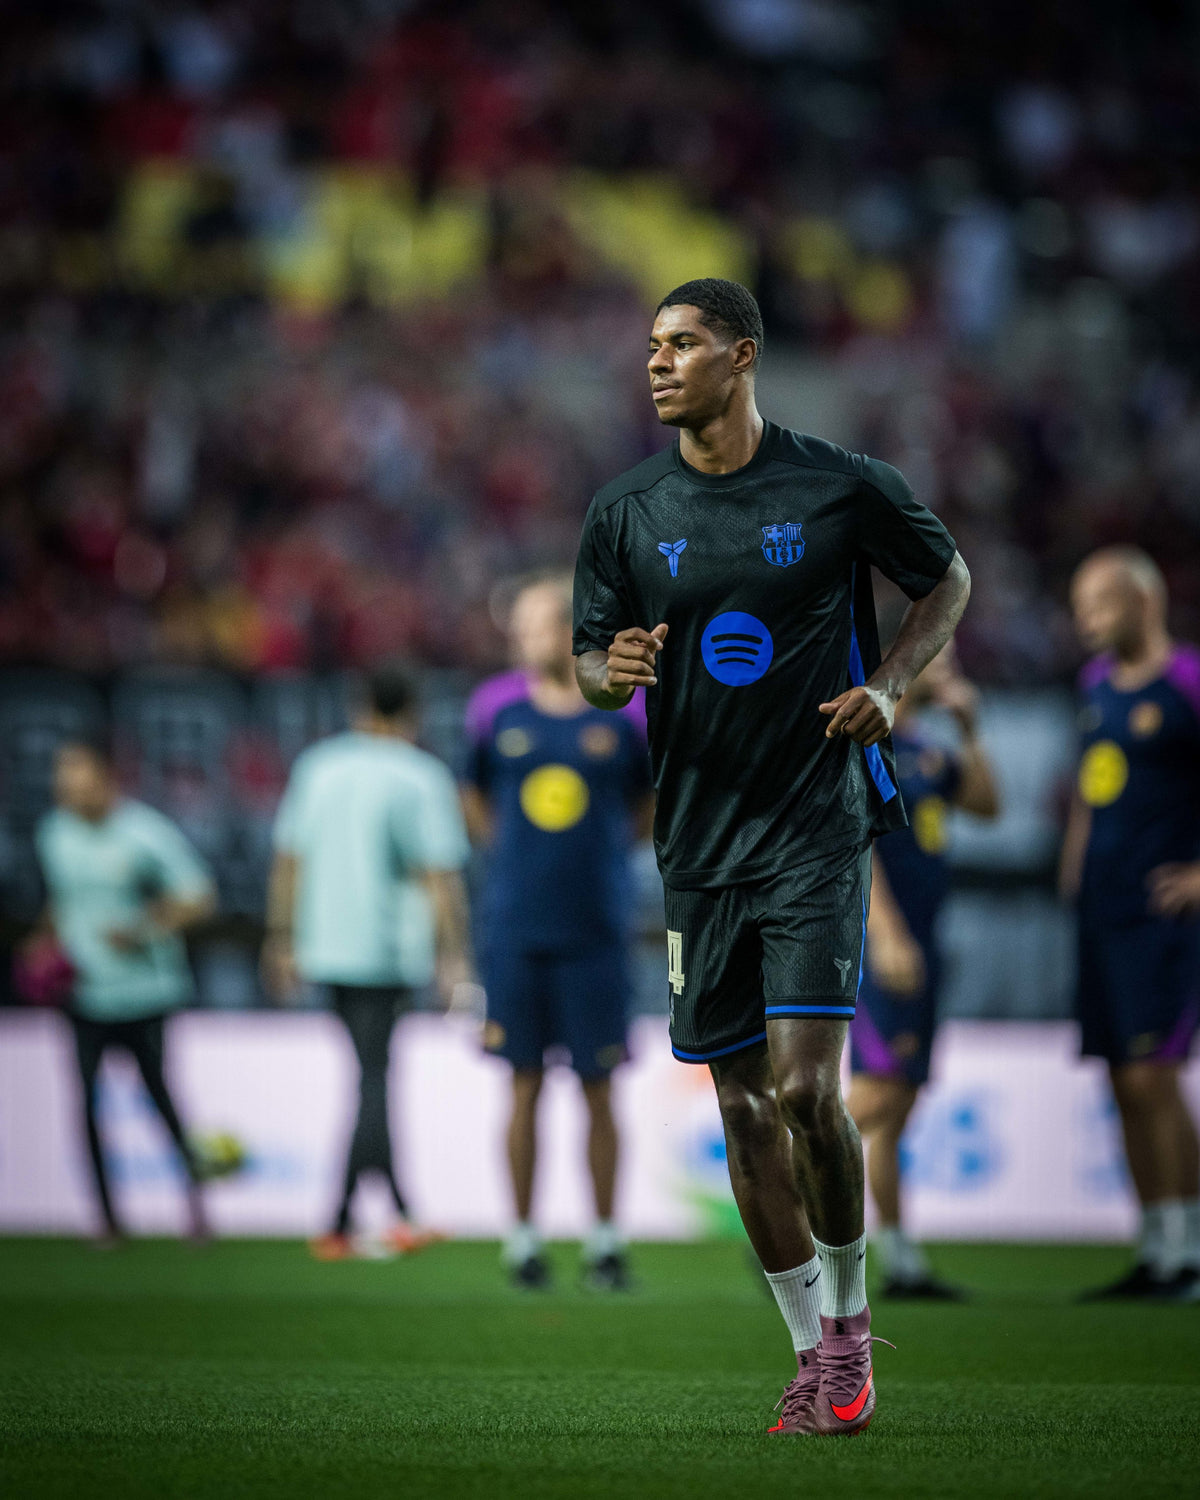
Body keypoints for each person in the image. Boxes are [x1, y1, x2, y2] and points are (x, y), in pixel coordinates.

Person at [572, 277, 970, 1436]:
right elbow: (590, 656)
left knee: (805, 1090)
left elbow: (945, 577)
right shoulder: (625, 511)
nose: (657, 363)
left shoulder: (838, 484)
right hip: (697, 844)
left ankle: (850, 1328)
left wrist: (893, 686)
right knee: (742, 1108)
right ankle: (809, 1350)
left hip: (815, 824)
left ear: (740, 356)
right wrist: (618, 672)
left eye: (682, 344)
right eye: (651, 345)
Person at [462, 574, 654, 1290]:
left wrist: (596, 863)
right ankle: (522, 1240)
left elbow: (646, 809)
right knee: (521, 1083)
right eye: (529, 622)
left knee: (600, 1087)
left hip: (598, 929)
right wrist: (521, 866)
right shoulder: (493, 709)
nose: (539, 633)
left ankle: (605, 1240)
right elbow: (475, 802)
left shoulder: (622, 711)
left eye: (551, 620)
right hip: (514, 929)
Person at [264, 665, 472, 1260]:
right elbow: (440, 876)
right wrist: (453, 955)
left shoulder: (316, 767)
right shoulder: (420, 776)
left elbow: (289, 860)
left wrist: (280, 938)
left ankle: (396, 1209)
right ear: (411, 714)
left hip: (324, 946)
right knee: (375, 1077)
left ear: (359, 707)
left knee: (369, 1074)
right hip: (386, 950)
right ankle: (340, 1218)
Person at [1063, 547, 1200, 1301]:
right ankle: (1154, 1250)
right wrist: (1075, 871)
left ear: (1142, 602)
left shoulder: (1186, 682)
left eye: (1098, 604)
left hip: (1162, 918)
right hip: (1102, 915)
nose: (1084, 620)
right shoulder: (1093, 688)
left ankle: (1188, 1250)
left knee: (1155, 1077)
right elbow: (1091, 790)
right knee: (1121, 1081)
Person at [846, 640, 1000, 1298]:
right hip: (885, 946)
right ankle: (783, 1201)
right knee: (877, 1093)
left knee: (900, 1103)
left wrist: (971, 732)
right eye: (945, 657)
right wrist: (886, 933)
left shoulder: (932, 749)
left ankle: (901, 1257)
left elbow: (988, 808)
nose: (954, 670)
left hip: (925, 942)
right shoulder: (866, 741)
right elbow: (854, 842)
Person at [33, 735, 217, 1241]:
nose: (66, 786)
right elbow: (63, 902)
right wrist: (43, 942)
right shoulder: (55, 834)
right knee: (86, 1103)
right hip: (85, 993)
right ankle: (108, 1219)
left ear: (107, 777)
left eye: (77, 775)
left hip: (146, 992)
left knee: (160, 1099)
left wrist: (145, 927)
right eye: (61, 776)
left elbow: (199, 896)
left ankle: (196, 1207)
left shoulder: (145, 833)